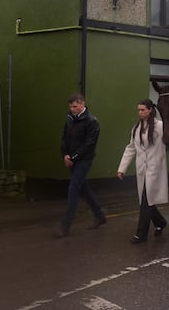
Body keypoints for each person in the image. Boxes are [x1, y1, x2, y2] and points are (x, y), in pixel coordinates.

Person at [117, 99, 169, 244]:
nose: (140, 112)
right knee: (147, 200)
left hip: (155, 168)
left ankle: (141, 234)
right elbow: (131, 148)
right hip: (142, 169)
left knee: (146, 200)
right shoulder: (136, 128)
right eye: (138, 110)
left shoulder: (160, 126)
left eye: (143, 110)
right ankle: (160, 222)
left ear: (150, 110)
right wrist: (122, 168)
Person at [57, 93, 106, 237]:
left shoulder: (91, 121)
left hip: (84, 160)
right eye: (71, 107)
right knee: (83, 188)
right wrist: (65, 154)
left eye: (75, 106)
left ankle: (65, 225)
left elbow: (90, 144)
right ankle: (100, 215)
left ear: (82, 104)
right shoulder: (70, 119)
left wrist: (74, 156)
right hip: (72, 159)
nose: (72, 109)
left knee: (73, 188)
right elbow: (64, 138)